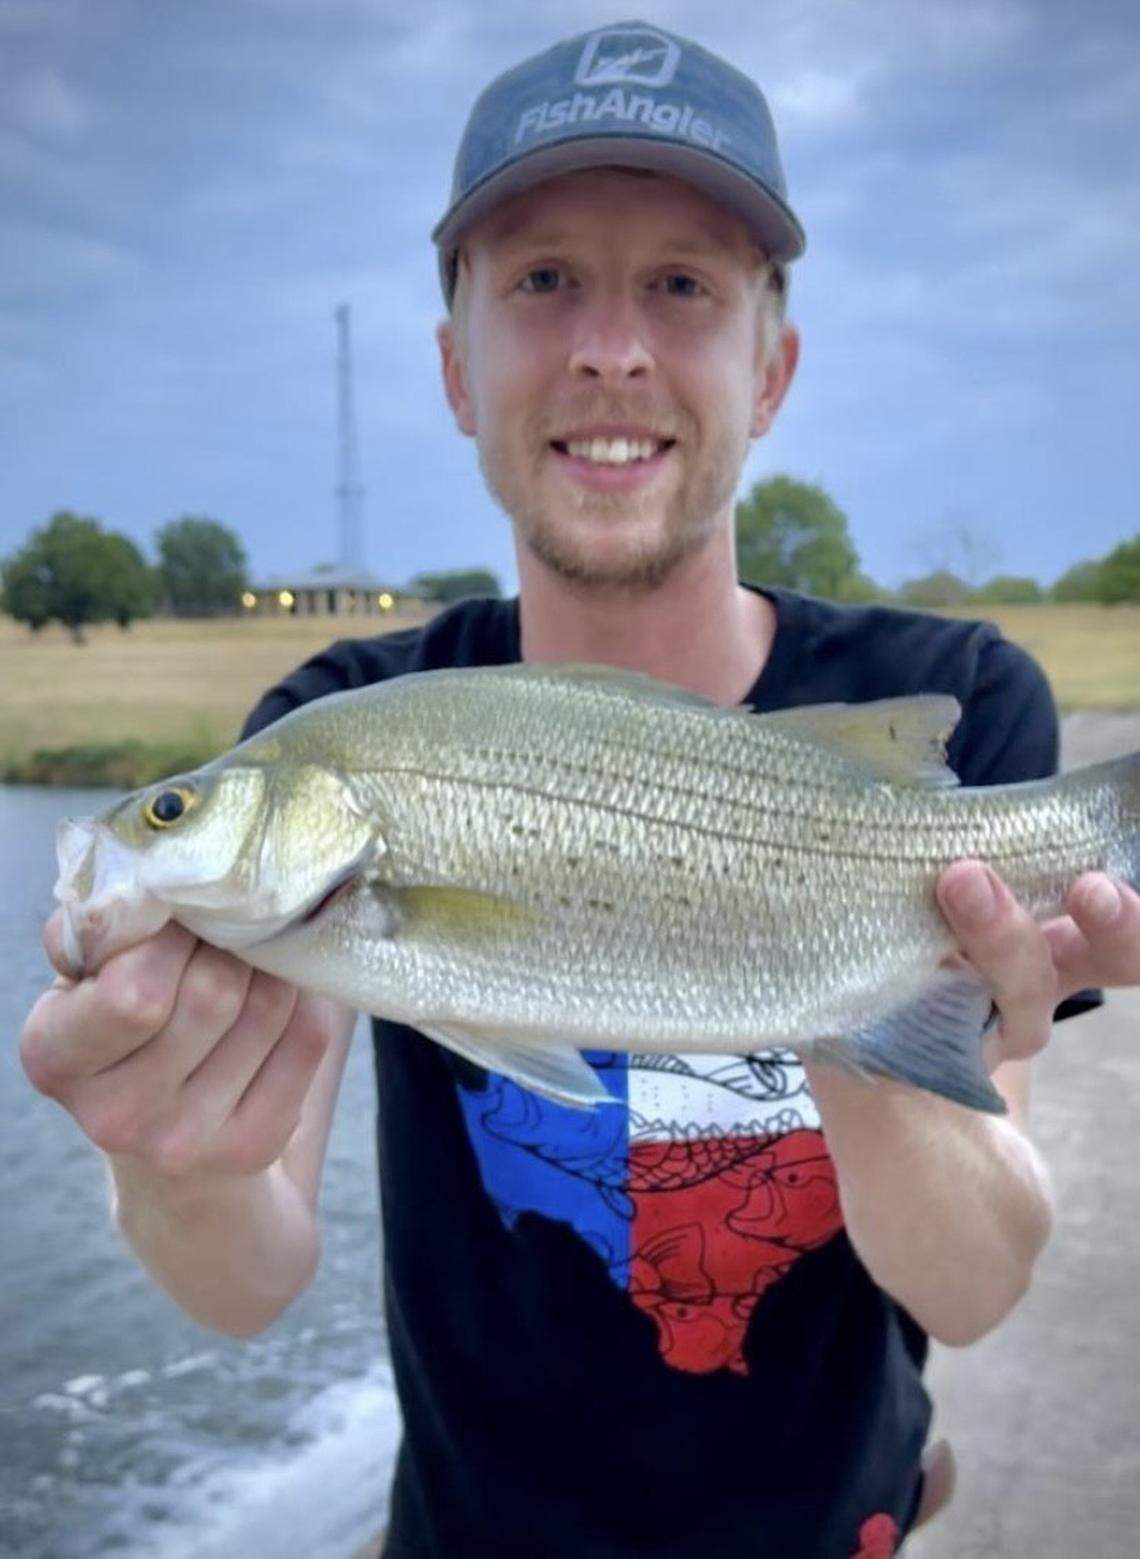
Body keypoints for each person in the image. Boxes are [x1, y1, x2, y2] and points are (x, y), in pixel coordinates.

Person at [19, 20, 1140, 1558]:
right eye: (541, 280)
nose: (610, 350)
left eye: (683, 284)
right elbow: (244, 1280)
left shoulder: (961, 701)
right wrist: (160, 1154)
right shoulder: (339, 722)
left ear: (776, 364)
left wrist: (870, 991)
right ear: (453, 366)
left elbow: (979, 1286)